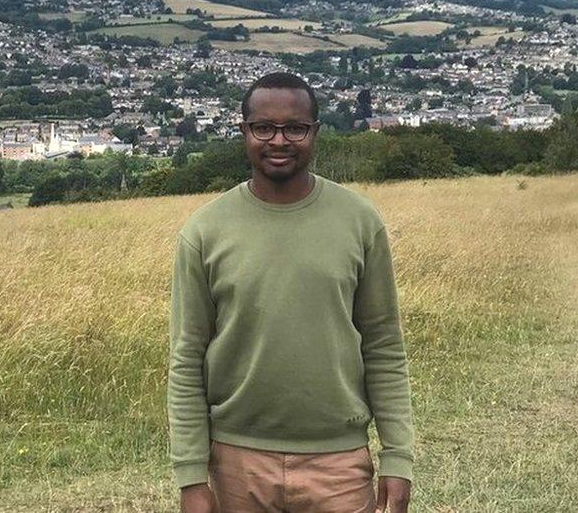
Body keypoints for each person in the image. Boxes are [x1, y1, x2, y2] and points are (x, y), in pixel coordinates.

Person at [168, 71, 415, 512]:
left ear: (315, 132)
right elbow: (187, 358)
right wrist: (191, 476)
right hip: (235, 462)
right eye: (263, 127)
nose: (278, 140)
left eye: (295, 128)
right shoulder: (204, 232)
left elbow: (384, 346)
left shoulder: (359, 222)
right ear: (244, 132)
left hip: (338, 463)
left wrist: (398, 457)